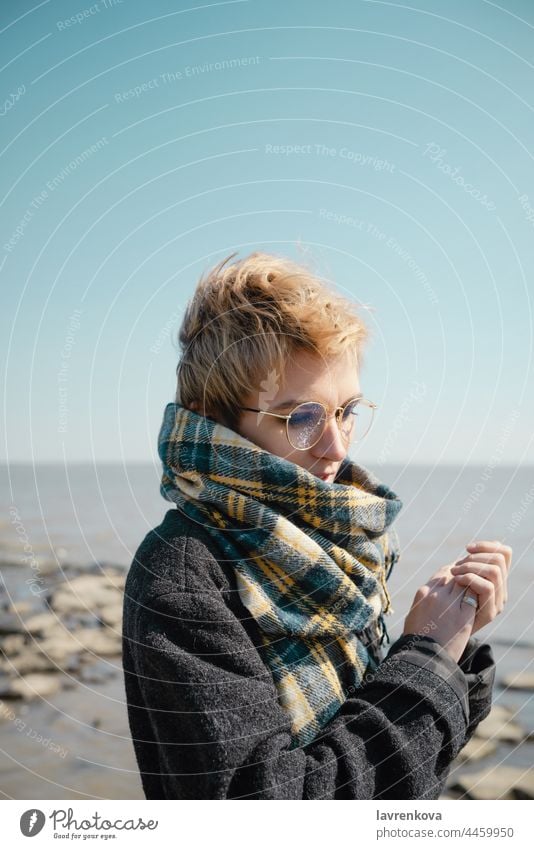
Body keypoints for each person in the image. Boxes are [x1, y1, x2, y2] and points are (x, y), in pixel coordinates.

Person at [122, 251, 511, 800]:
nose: (336, 446)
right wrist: (426, 655)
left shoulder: (328, 538)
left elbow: (400, 772)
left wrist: (453, 648)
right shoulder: (187, 572)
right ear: (218, 417)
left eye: (346, 410)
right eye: (301, 418)